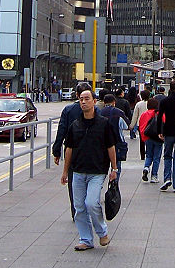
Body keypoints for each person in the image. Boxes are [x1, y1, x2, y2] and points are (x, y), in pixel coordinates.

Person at [61, 89, 117, 251]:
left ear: (94, 101)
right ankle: (86, 239)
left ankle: (102, 232)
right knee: (79, 207)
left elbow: (110, 146)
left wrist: (114, 168)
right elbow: (69, 148)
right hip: (77, 171)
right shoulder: (75, 125)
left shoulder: (104, 123)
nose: (83, 102)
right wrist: (65, 172)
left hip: (97, 171)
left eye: (87, 99)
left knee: (91, 203)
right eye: (81, 99)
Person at [52, 81, 93, 219]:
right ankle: (87, 208)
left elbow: (61, 131)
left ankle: (76, 211)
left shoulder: (68, 110)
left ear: (76, 94)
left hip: (73, 151)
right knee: (91, 179)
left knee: (74, 182)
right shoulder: (96, 110)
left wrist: (56, 150)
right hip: (92, 152)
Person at [99, 94, 129, 176]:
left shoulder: (99, 112)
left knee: (103, 164)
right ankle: (114, 183)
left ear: (104, 102)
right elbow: (126, 126)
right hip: (117, 141)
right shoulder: (119, 112)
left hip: (102, 142)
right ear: (114, 102)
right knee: (116, 164)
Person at [139, 97, 163, 183]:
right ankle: (154, 176)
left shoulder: (144, 114)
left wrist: (143, 137)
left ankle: (146, 167)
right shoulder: (159, 114)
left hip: (148, 138)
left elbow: (141, 127)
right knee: (156, 157)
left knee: (149, 155)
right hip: (158, 138)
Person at [130, 90, 151, 158]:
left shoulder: (138, 104)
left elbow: (135, 115)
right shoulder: (151, 103)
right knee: (149, 139)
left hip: (140, 124)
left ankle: (142, 155)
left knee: (142, 140)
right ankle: (149, 153)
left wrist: (132, 125)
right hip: (150, 123)